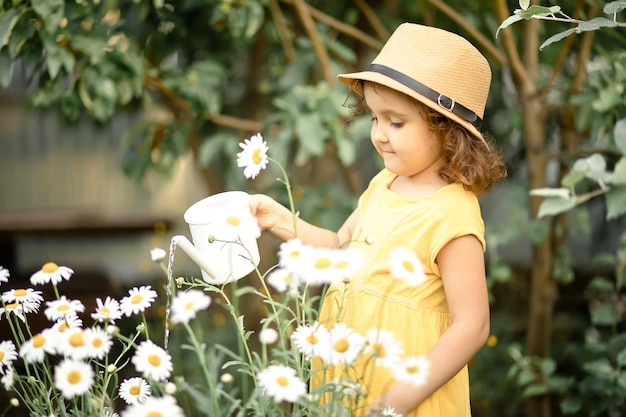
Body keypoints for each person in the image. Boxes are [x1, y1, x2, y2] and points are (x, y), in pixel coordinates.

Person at [249, 22, 507, 417]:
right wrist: (280, 219)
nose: (379, 134)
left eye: (396, 122)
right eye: (374, 118)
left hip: (408, 400)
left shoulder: (452, 216)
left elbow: (472, 327)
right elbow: (339, 246)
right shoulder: (384, 183)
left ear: (447, 131)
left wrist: (393, 404)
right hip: (350, 383)